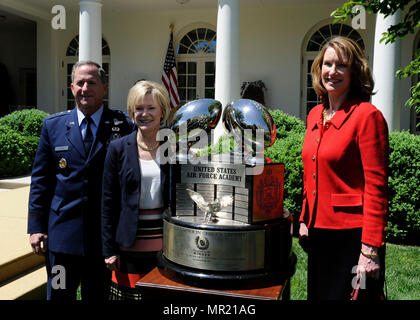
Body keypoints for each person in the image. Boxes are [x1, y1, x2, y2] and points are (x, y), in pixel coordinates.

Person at [27, 61, 134, 300]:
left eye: (92, 82)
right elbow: (41, 181)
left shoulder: (122, 125)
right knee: (59, 294)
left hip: (103, 240)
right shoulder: (53, 126)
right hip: (62, 238)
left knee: (96, 296)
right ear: (72, 87)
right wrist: (36, 227)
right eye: (80, 83)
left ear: (105, 87)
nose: (86, 88)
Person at [298, 36, 389, 300]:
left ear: (355, 72)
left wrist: (370, 249)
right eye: (327, 64)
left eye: (342, 65)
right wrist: (305, 217)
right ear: (319, 68)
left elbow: (377, 186)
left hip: (353, 238)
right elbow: (312, 171)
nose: (332, 71)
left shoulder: (367, 116)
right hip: (318, 234)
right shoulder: (315, 115)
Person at [101, 80, 171, 300]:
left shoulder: (175, 148)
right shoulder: (117, 148)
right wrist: (109, 249)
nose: (144, 114)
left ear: (162, 112)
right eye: (139, 108)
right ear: (131, 112)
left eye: (151, 108)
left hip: (167, 247)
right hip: (128, 246)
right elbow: (107, 202)